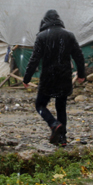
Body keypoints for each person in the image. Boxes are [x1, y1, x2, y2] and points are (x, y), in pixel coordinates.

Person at [23, 10, 86, 146]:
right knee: (61, 107)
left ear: (45, 21)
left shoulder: (41, 36)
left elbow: (34, 59)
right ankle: (62, 138)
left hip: (48, 77)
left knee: (40, 105)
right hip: (64, 77)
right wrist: (81, 74)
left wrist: (26, 78)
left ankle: (53, 124)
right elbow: (79, 57)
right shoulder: (69, 35)